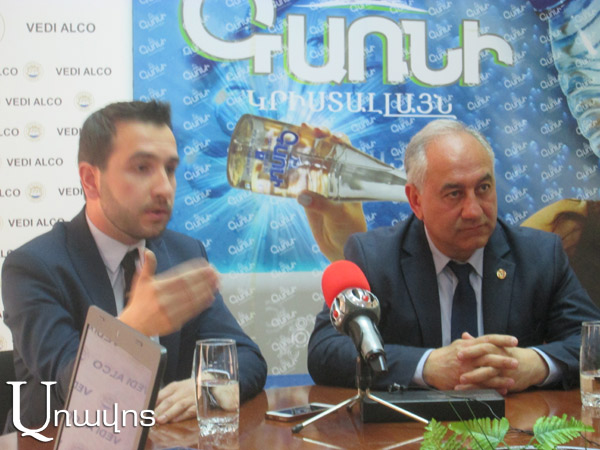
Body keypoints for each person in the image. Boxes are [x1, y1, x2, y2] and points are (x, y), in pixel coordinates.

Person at [1, 100, 267, 431]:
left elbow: (245, 357)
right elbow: (69, 385)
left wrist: (210, 388)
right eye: (142, 168)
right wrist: (133, 326)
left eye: (170, 169)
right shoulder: (33, 267)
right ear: (90, 179)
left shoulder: (184, 253)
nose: (164, 187)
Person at [307, 119, 600, 394]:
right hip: (413, 427)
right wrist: (426, 366)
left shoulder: (540, 254)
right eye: (454, 194)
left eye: (483, 188)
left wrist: (536, 364)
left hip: (515, 424)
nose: (474, 210)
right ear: (416, 200)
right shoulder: (374, 257)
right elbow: (325, 351)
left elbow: (593, 340)